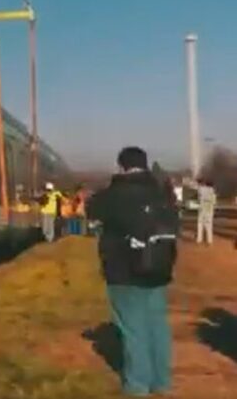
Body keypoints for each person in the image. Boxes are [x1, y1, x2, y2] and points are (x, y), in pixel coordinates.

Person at [87, 146, 178, 397]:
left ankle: (138, 385)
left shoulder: (113, 194)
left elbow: (92, 212)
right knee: (157, 324)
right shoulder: (162, 193)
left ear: (122, 166)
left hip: (123, 270)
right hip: (159, 268)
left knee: (133, 327)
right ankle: (162, 382)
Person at [196, 178, 217, 246]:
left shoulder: (202, 189)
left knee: (200, 225)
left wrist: (199, 182)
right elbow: (214, 203)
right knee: (209, 226)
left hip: (202, 209)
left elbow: (199, 190)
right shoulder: (213, 193)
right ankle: (209, 241)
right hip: (209, 210)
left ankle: (199, 240)